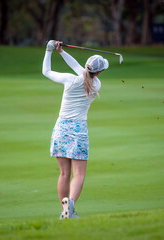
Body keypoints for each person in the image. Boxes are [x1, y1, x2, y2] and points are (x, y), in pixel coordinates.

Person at [42, 40, 109, 219]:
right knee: (79, 174)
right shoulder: (97, 85)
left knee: (64, 173)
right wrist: (62, 52)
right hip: (79, 131)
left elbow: (46, 71)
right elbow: (81, 70)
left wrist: (50, 50)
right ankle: (70, 208)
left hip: (61, 128)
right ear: (99, 72)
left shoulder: (70, 80)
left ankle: (64, 210)